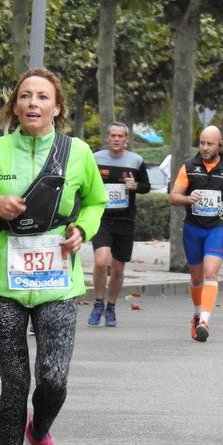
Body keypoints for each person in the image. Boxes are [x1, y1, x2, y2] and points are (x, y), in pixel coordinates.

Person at [0, 67, 106, 445]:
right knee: (15, 383)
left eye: (42, 97)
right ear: (14, 106)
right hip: (4, 282)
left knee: (53, 380)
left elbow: (97, 201)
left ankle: (39, 431)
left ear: (56, 108)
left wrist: (82, 228)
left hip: (59, 282)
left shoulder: (77, 152)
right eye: (25, 96)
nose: (33, 104)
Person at [168, 125, 223, 341]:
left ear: (219, 144)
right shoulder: (189, 167)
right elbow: (174, 197)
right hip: (193, 228)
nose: (204, 147)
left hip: (218, 227)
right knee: (196, 277)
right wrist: (187, 198)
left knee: (210, 273)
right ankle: (196, 313)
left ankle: (204, 320)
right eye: (202, 143)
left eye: (209, 144)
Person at [88, 122, 150, 327]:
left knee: (117, 268)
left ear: (126, 139)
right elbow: (85, 184)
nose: (116, 139)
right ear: (107, 138)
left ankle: (111, 306)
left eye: (120, 136)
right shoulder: (95, 159)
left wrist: (136, 186)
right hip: (102, 218)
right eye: (112, 135)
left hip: (125, 220)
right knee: (100, 261)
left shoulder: (136, 161)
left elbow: (146, 187)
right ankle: (98, 302)